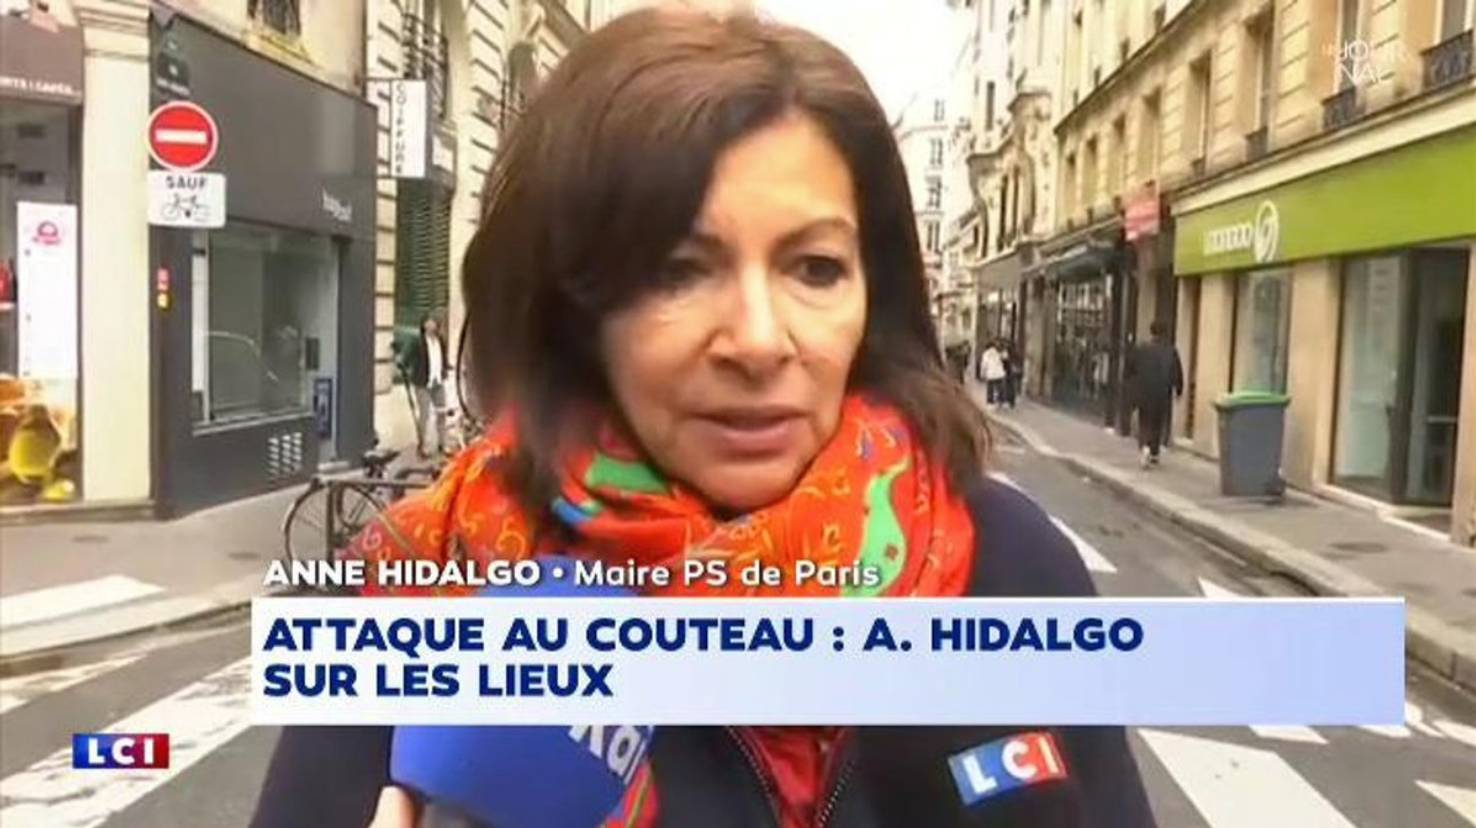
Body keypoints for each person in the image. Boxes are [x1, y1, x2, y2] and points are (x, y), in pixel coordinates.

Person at [249, 8, 1155, 828]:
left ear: (872, 296)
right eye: (678, 271)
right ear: (573, 308)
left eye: (815, 269)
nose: (759, 341)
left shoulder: (1008, 565)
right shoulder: (422, 594)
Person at [1126, 319, 1184, 468]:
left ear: (1151, 332)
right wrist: (1178, 390)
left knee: (1145, 421)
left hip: (1144, 392)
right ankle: (1154, 453)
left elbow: (1130, 369)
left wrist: (1132, 387)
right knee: (1158, 422)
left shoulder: (1142, 349)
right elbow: (1177, 372)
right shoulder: (1171, 351)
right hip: (1162, 393)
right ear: (1165, 333)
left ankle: (1144, 446)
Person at [403, 314, 449, 458]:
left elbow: (443, 358)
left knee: (442, 413)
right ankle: (423, 446)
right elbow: (406, 358)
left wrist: (445, 370)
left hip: (438, 382)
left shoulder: (440, 340)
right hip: (423, 383)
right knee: (425, 414)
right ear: (423, 325)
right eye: (428, 322)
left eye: (433, 322)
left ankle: (442, 443)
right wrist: (407, 368)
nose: (430, 325)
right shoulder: (417, 341)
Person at [978, 339, 1006, 407]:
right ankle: (1001, 401)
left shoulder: (986, 354)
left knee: (990, 388)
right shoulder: (998, 351)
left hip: (990, 374)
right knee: (1000, 388)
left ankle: (990, 402)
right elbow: (1005, 358)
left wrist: (982, 374)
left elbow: (984, 365)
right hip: (999, 373)